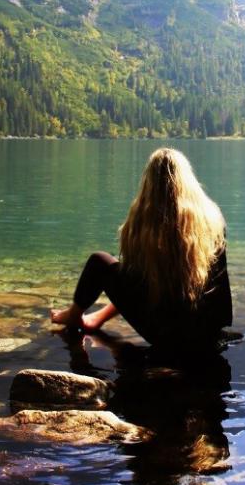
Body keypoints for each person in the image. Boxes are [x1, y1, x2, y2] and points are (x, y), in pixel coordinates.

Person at [50, 147, 232, 349]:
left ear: (149, 182)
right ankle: (95, 318)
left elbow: (135, 282)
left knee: (99, 261)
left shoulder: (143, 221)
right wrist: (100, 316)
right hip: (209, 334)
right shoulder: (212, 220)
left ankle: (74, 315)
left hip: (164, 336)